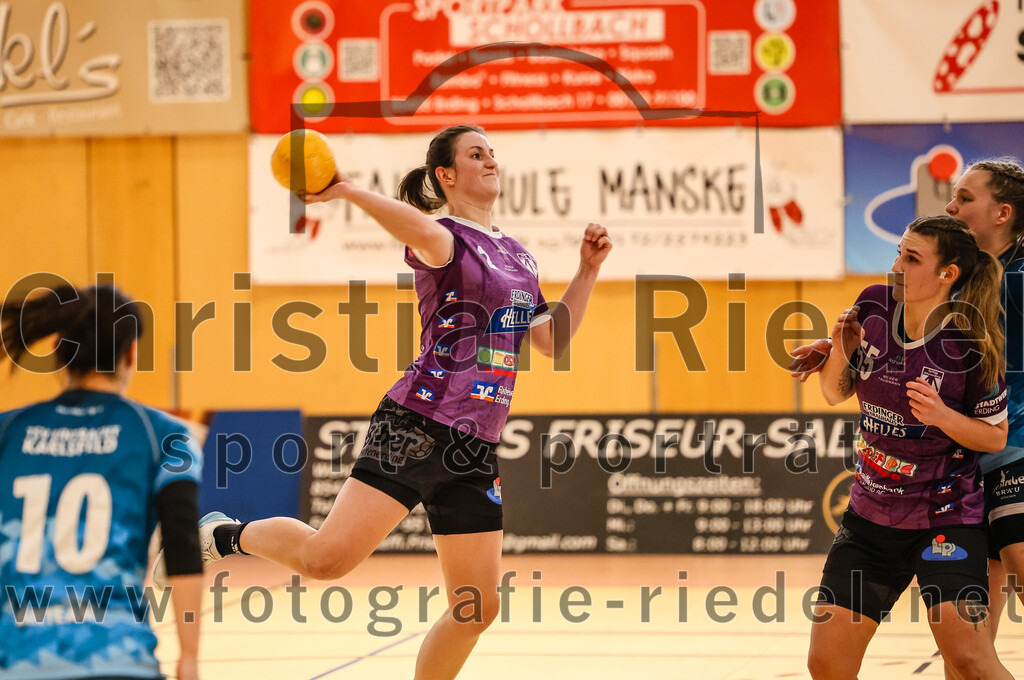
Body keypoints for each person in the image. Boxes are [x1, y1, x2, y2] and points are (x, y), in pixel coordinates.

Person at [157, 124, 612, 680]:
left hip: (476, 447)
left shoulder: (519, 256)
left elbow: (551, 340)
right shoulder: (444, 236)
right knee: (327, 560)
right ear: (446, 175)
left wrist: (587, 271)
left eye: (492, 152)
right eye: (476, 154)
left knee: (477, 608)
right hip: (418, 425)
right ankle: (222, 535)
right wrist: (345, 189)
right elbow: (416, 224)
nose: (491, 160)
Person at [792, 160, 1024, 660]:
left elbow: (992, 427)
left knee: (981, 638)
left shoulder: (981, 326)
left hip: (979, 471)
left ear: (1003, 213)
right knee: (833, 663)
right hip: (883, 505)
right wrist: (838, 348)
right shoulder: (886, 303)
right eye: (899, 253)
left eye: (965, 198)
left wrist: (948, 417)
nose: (951, 205)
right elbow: (843, 384)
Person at [0, 283, 204, 680]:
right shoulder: (163, 434)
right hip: (118, 660)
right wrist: (190, 655)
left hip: (16, 661)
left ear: (59, 352)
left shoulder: (7, 431)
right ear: (131, 353)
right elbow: (183, 546)